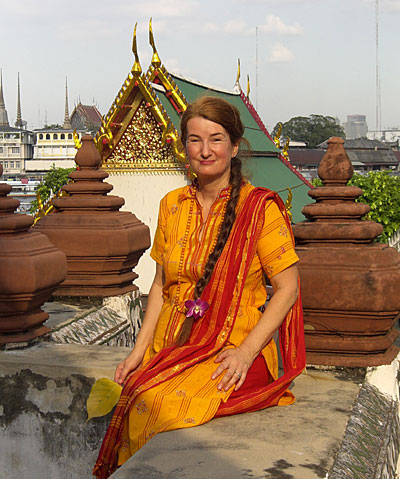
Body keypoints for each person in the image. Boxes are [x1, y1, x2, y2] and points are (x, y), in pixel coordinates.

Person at [93, 96, 305, 479]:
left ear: (235, 146)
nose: (205, 151)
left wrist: (245, 352)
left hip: (235, 351)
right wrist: (139, 352)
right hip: (174, 346)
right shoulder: (172, 205)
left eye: (216, 139)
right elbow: (161, 284)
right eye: (194, 140)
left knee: (158, 404)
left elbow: (287, 288)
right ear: (183, 145)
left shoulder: (260, 209)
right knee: (136, 392)